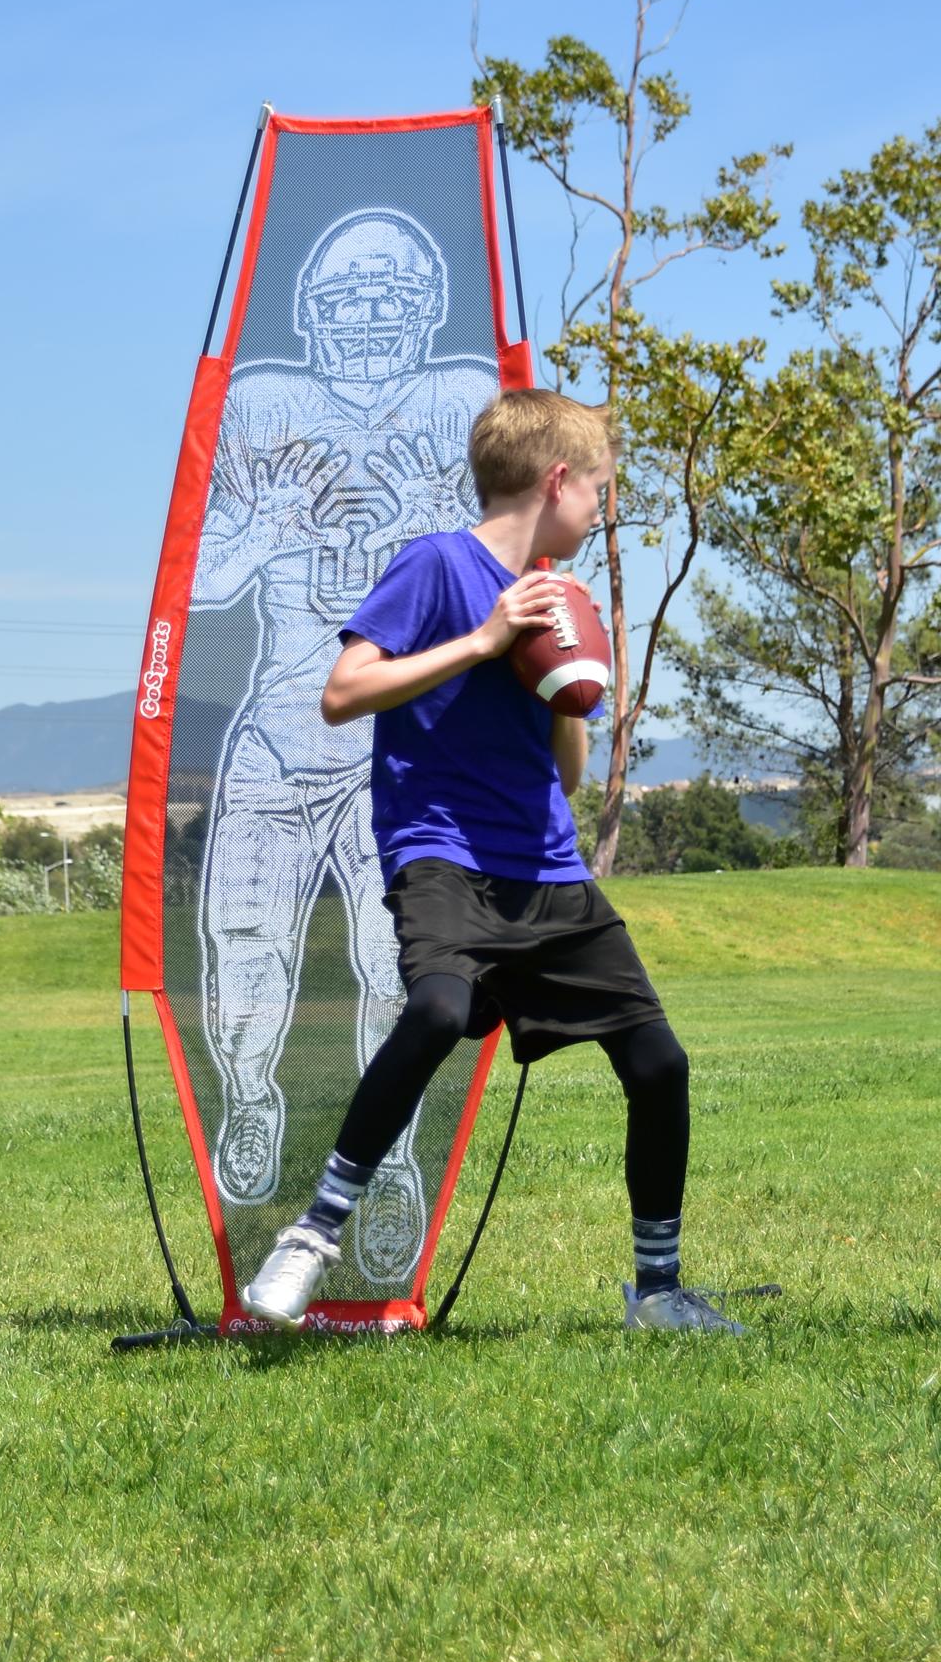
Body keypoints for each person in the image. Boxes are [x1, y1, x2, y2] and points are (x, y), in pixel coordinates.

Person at [240, 387, 743, 1333]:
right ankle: (312, 1234)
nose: (599, 509)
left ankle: (661, 1290)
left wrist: (571, 680)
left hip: (547, 866)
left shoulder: (562, 593)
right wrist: (485, 641)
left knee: (660, 1062)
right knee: (436, 1007)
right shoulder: (436, 566)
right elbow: (343, 694)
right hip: (442, 854)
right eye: (597, 491)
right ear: (557, 481)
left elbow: (563, 766)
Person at [191, 208, 490, 1284]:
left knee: (399, 977)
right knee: (242, 951)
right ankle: (252, 1094)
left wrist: (439, 526)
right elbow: (201, 582)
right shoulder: (259, 405)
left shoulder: (463, 404)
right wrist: (263, 530)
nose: (367, 320)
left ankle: (393, 1160)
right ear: (309, 319)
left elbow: (502, 569)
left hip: (401, 758)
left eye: (389, 299)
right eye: (345, 301)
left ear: (426, 313)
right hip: (279, 726)